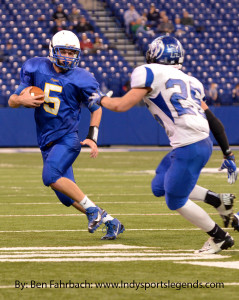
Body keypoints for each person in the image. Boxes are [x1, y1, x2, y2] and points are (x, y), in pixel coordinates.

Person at [88, 36, 237, 253]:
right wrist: (227, 153)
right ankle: (218, 200)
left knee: (175, 200)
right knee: (159, 185)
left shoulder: (149, 72)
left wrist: (99, 99)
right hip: (197, 142)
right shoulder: (191, 81)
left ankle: (219, 237)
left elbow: (121, 105)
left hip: (189, 145)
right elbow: (213, 120)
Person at [8, 30, 124, 240]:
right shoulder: (35, 66)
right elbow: (12, 100)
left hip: (68, 139)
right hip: (46, 141)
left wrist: (92, 136)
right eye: (64, 52)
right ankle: (111, 222)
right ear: (53, 50)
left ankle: (94, 212)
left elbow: (96, 108)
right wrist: (21, 100)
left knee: (50, 176)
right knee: (65, 196)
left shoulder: (83, 78)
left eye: (72, 53)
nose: (68, 57)